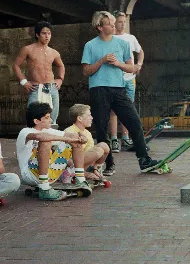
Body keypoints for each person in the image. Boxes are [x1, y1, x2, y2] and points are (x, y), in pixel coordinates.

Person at [82, 11, 159, 175]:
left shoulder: (123, 44)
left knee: (135, 123)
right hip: (98, 90)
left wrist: (117, 63)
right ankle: (108, 164)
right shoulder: (90, 45)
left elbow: (132, 68)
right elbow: (86, 71)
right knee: (102, 130)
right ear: (100, 27)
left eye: (113, 22)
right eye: (110, 23)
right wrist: (102, 61)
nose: (113, 25)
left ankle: (144, 159)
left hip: (119, 88)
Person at [16, 102, 92, 201]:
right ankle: (44, 188)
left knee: (75, 140)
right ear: (36, 121)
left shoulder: (48, 130)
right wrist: (66, 139)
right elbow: (39, 136)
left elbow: (71, 135)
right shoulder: (25, 131)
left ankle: (80, 180)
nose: (51, 120)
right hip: (30, 175)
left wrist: (80, 136)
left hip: (50, 173)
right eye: (47, 117)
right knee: (45, 141)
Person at [12, 21, 65, 126]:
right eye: (44, 33)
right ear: (37, 34)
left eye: (49, 33)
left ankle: (51, 141)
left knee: (53, 118)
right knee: (33, 117)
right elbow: (16, 65)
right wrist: (24, 82)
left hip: (52, 87)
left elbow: (61, 65)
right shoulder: (28, 49)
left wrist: (60, 79)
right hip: (36, 87)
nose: (47, 36)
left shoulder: (54, 52)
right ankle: (33, 141)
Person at [108, 11, 144, 152]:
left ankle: (125, 137)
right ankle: (114, 139)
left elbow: (140, 51)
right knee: (113, 110)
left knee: (127, 109)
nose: (122, 24)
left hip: (129, 79)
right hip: (116, 78)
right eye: (120, 22)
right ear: (114, 23)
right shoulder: (109, 38)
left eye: (124, 22)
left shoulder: (130, 38)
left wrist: (139, 65)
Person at [64, 103, 110, 183]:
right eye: (89, 115)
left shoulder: (87, 133)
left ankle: (95, 170)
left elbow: (90, 153)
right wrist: (84, 173)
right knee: (98, 151)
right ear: (79, 118)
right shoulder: (69, 131)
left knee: (104, 146)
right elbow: (65, 159)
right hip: (70, 164)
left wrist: (94, 168)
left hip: (84, 162)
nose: (91, 118)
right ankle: (78, 173)